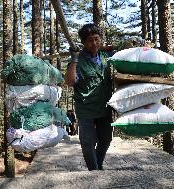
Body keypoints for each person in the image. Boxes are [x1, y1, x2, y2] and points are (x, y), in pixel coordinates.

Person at [65, 23, 113, 171]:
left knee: (105, 139)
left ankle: (98, 165)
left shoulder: (105, 56)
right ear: (83, 43)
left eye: (96, 39)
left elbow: (125, 54)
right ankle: (94, 170)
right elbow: (70, 81)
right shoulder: (77, 61)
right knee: (87, 142)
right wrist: (74, 59)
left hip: (104, 105)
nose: (94, 43)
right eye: (90, 40)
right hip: (85, 107)